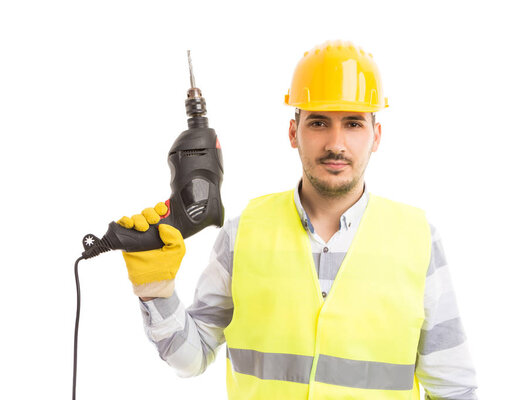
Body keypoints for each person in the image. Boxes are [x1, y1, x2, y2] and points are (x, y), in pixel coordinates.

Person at [118, 40, 478, 399]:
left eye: (353, 123)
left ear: (376, 136)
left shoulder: (417, 240)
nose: (336, 144)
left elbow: (453, 388)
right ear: (294, 133)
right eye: (319, 122)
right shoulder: (242, 235)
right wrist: (157, 290)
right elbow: (191, 359)